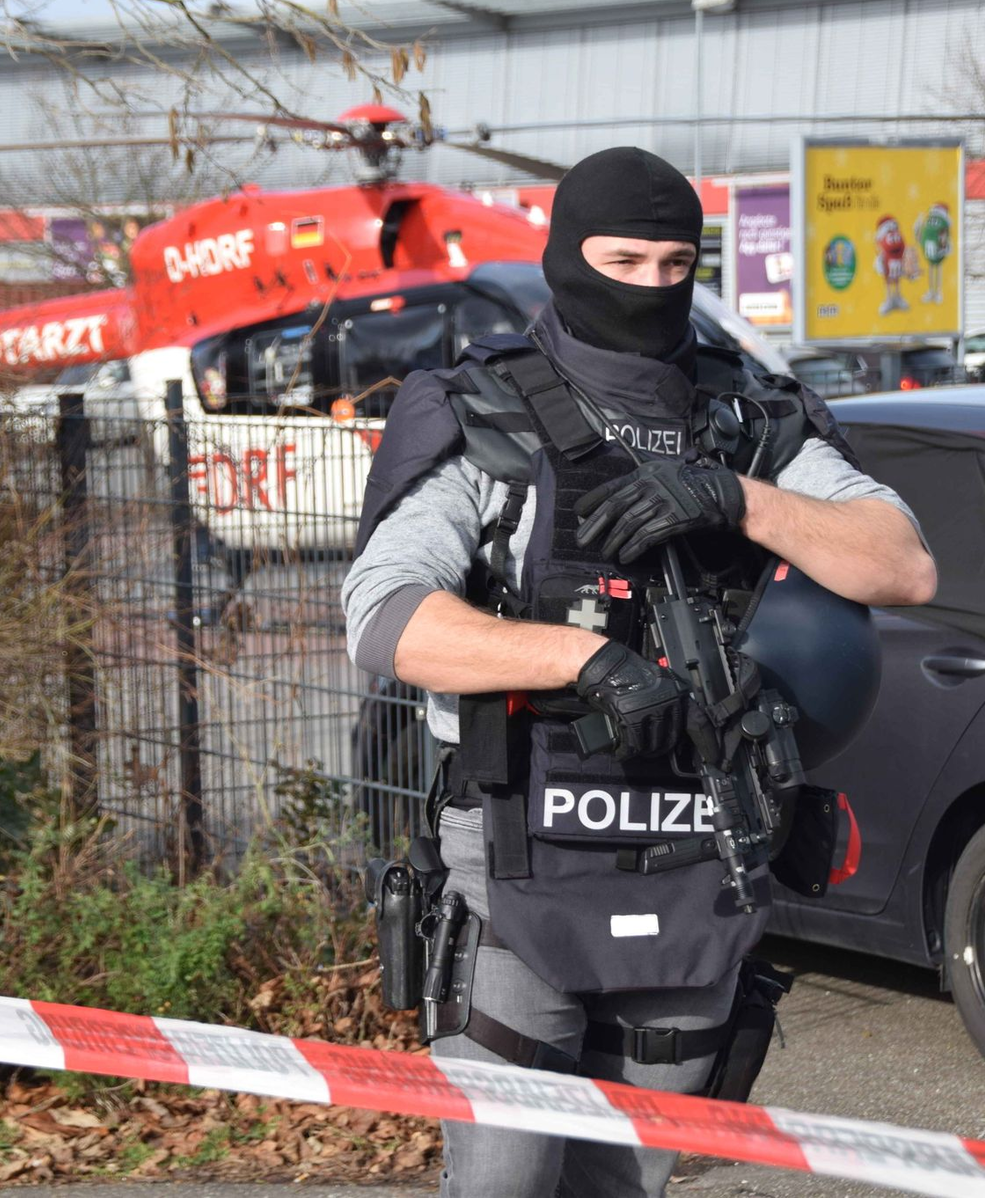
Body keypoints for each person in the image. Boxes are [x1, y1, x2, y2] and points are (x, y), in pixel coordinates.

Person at [342, 147, 936, 1198]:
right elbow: (386, 616)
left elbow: (903, 565)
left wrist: (734, 498)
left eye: (675, 265)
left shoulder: (747, 420)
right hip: (522, 859)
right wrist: (586, 660)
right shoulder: (487, 413)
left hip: (698, 864)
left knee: (627, 1186)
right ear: (568, 257)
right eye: (623, 261)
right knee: (507, 1183)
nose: (651, 287)